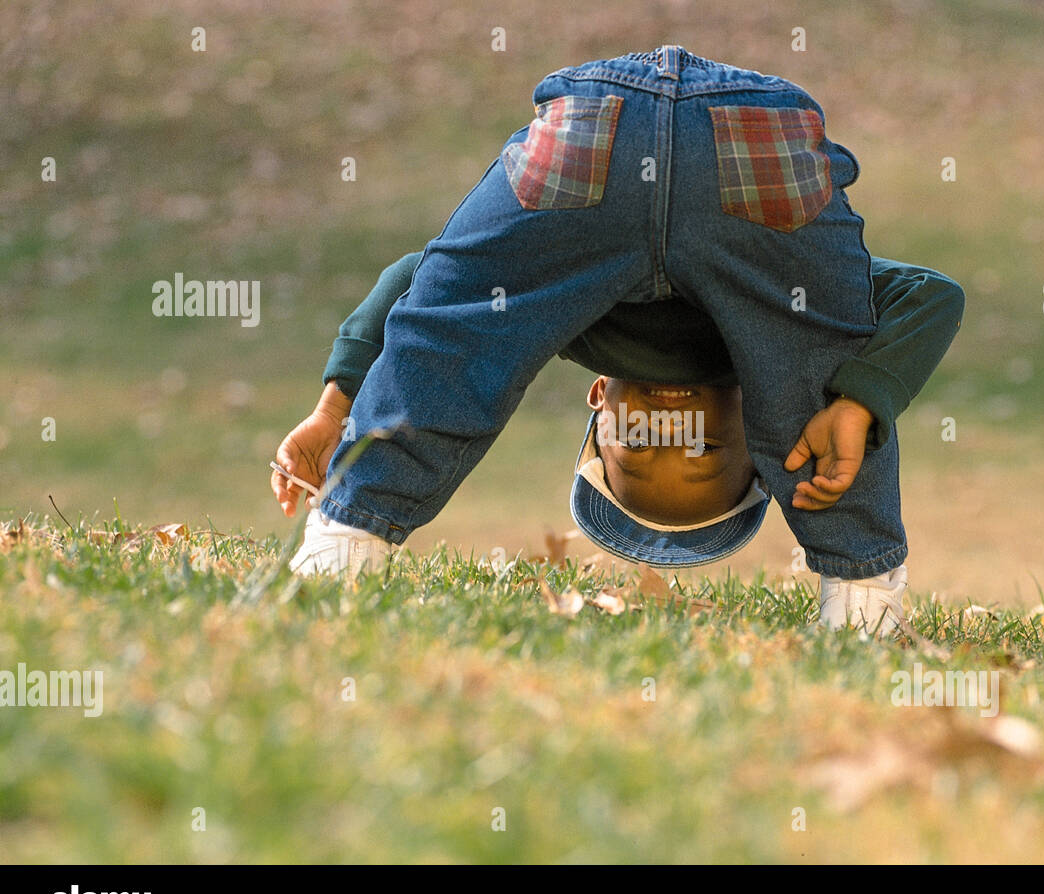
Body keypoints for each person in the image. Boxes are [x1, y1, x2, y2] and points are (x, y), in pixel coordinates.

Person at [271, 46, 964, 638]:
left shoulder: (569, 313)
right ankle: (863, 600)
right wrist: (860, 402)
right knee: (823, 413)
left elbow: (421, 291)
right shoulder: (772, 323)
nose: (669, 427)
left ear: (600, 400)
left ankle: (345, 547)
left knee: (455, 333)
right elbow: (934, 293)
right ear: (754, 433)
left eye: (642, 441)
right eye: (697, 449)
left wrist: (337, 410)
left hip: (626, 131)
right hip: (738, 147)